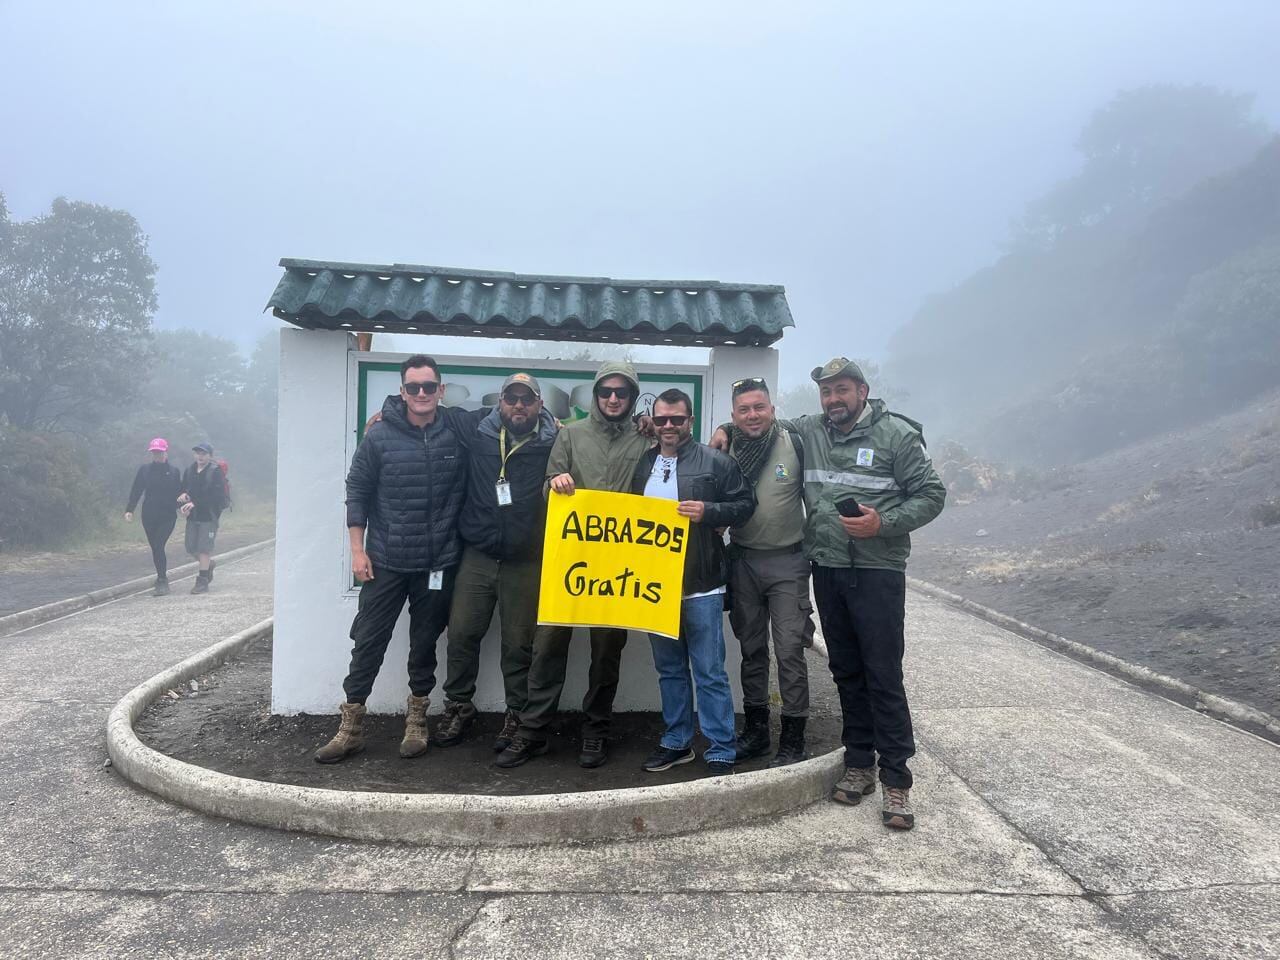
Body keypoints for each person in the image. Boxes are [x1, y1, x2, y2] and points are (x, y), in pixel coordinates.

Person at [713, 358, 945, 830]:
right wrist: (722, 426)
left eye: (842, 390)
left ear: (862, 391)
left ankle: (897, 779)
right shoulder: (812, 431)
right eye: (826, 392)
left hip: (878, 571)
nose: (834, 399)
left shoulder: (896, 436)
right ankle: (859, 763)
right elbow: (757, 422)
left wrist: (885, 523)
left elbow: (932, 493)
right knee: (845, 671)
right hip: (829, 569)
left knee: (882, 673)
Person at [495, 360, 651, 769]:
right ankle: (532, 730)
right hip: (569, 561)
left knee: (606, 652)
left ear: (632, 397)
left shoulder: (646, 439)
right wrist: (556, 484)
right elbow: (549, 487)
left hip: (619, 568)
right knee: (547, 645)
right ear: (596, 395)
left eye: (622, 392)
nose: (613, 398)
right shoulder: (572, 435)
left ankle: (596, 730)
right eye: (606, 392)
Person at [315, 355, 469, 764]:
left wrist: (556, 423)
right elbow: (358, 491)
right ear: (402, 392)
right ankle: (350, 728)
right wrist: (357, 549)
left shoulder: (456, 429)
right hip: (385, 561)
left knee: (423, 645)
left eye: (429, 386)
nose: (422, 394)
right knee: (368, 642)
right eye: (413, 387)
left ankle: (417, 721)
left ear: (442, 390)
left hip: (437, 563)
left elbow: (506, 420)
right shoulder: (379, 435)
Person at [631, 389, 755, 776]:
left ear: (690, 420)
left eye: (677, 419)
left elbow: (746, 504)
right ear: (654, 420)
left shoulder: (716, 462)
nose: (670, 426)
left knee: (709, 670)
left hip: (702, 583)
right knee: (669, 669)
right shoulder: (644, 462)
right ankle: (677, 740)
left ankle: (721, 745)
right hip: (656, 586)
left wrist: (710, 510)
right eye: (663, 419)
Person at [432, 373, 559, 753]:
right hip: (479, 554)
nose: (518, 405)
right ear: (499, 401)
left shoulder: (556, 440)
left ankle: (516, 714)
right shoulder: (476, 427)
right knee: (462, 634)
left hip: (527, 558)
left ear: (540, 404)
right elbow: (424, 410)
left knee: (519, 644)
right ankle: (458, 705)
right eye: (511, 398)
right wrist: (386, 414)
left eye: (527, 399)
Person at [722, 378, 814, 766]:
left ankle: (793, 736)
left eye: (759, 407)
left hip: (789, 562)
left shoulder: (794, 442)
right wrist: (723, 432)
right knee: (752, 649)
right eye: (743, 410)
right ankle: (757, 731)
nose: (752, 415)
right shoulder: (727, 448)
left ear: (772, 410)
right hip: (744, 561)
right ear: (733, 416)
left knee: (791, 650)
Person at [125, 438, 183, 597]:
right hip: (149, 514)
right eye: (154, 452)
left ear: (166, 452)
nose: (157, 455)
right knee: (155, 548)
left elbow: (179, 493)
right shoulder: (144, 470)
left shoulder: (174, 471)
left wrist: (183, 505)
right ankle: (160, 578)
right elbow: (136, 490)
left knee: (158, 545)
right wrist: (130, 509)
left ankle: (162, 580)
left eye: (159, 452)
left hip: (168, 515)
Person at [177, 442, 226, 595]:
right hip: (193, 516)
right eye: (198, 453)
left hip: (209, 516)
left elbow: (217, 496)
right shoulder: (189, 471)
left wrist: (195, 503)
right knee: (191, 547)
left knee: (204, 548)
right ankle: (209, 565)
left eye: (203, 453)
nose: (200, 456)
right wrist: (183, 501)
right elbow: (183, 490)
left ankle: (202, 581)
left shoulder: (215, 472)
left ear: (210, 456)